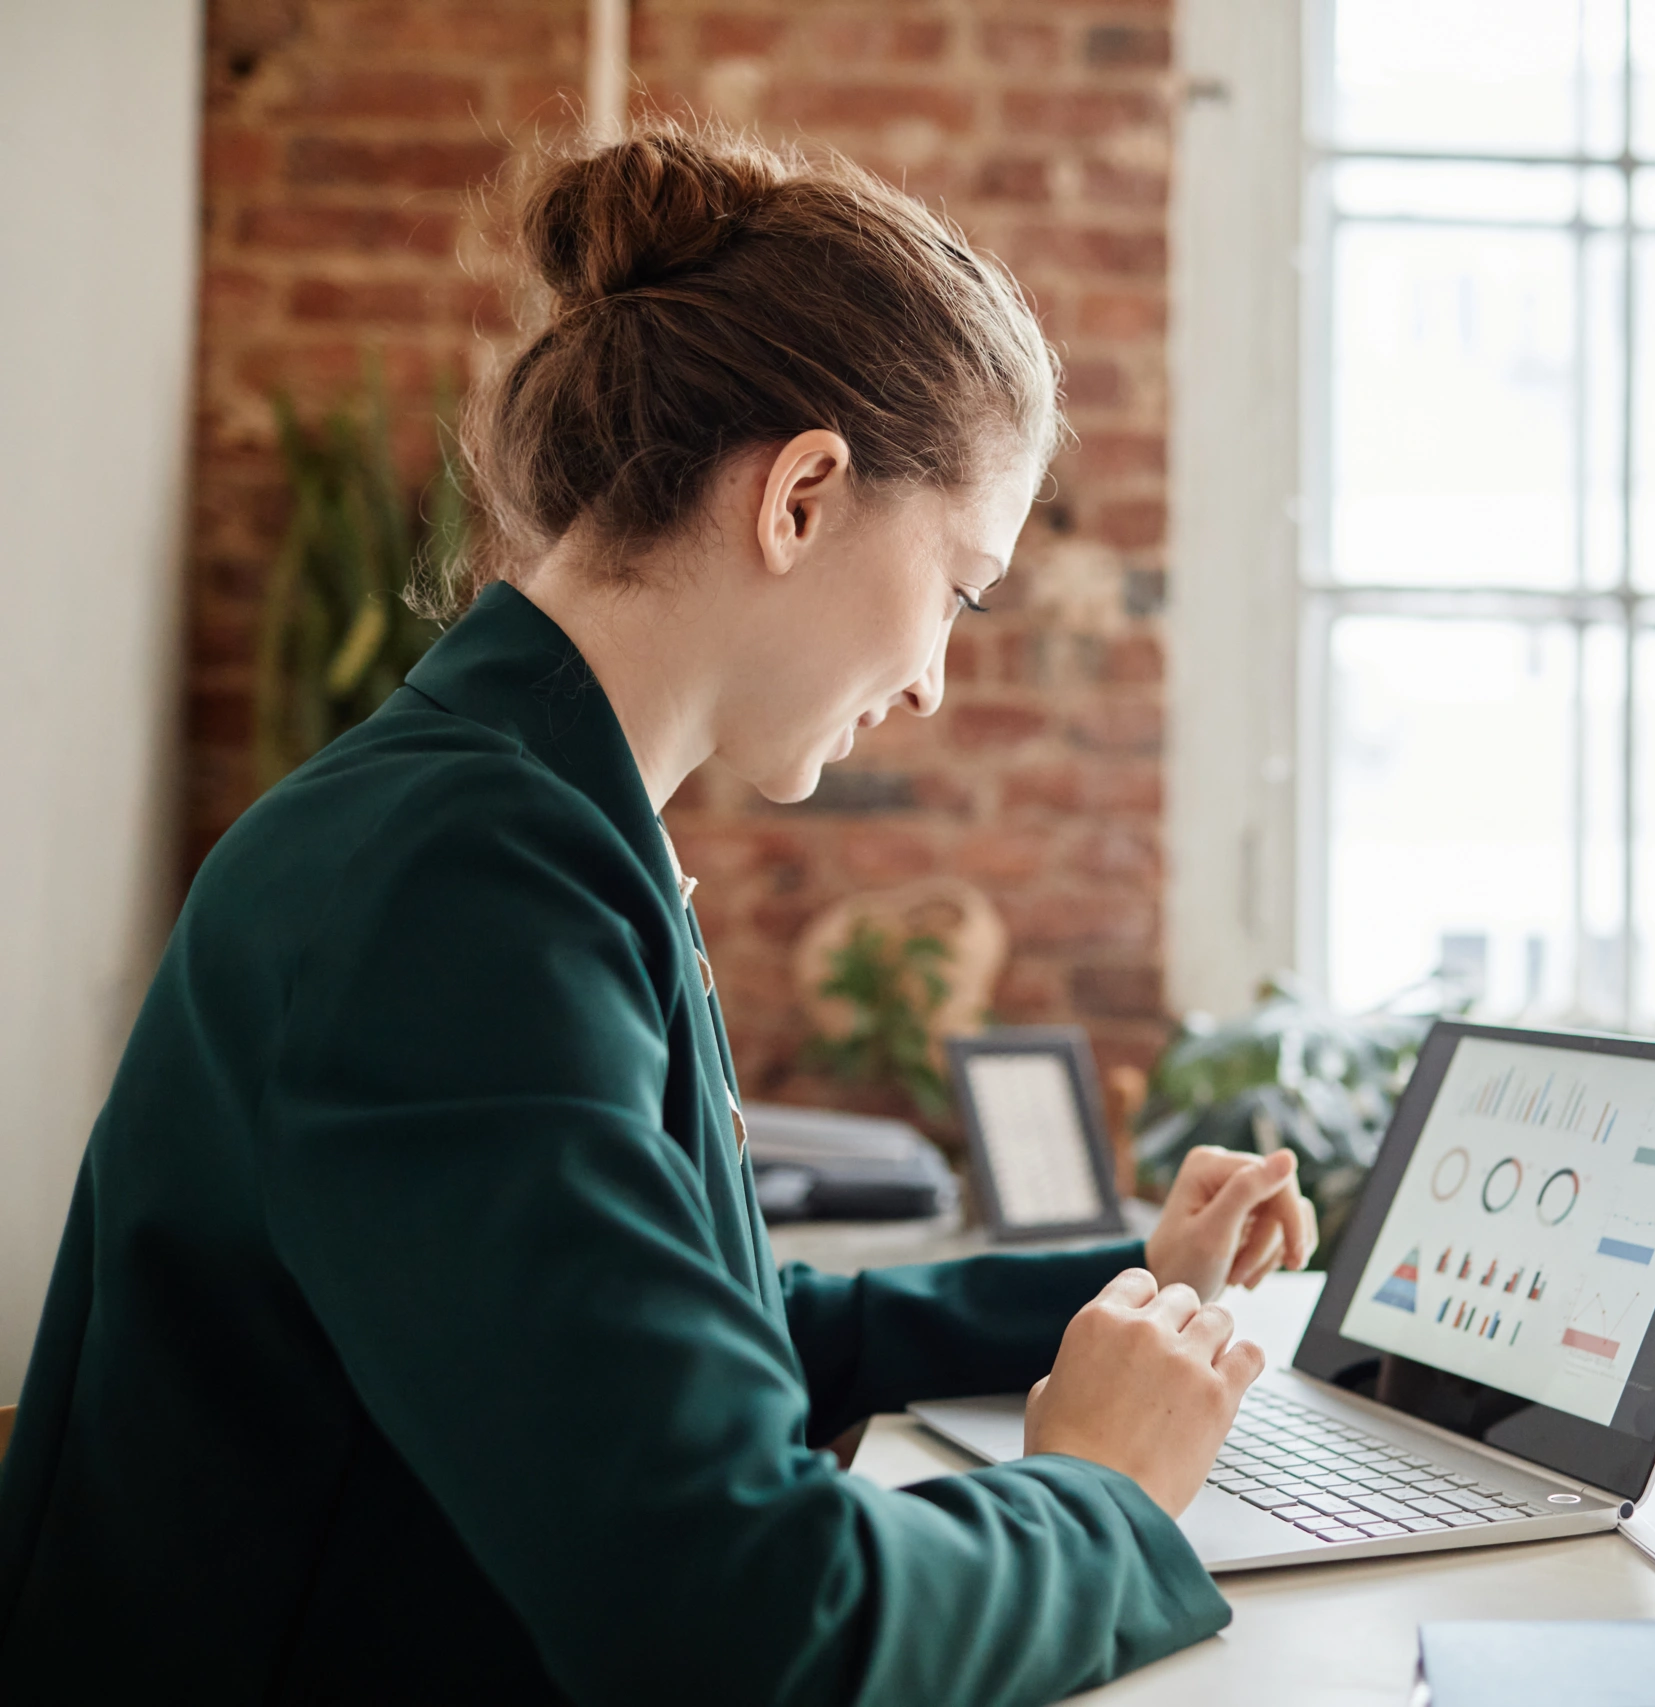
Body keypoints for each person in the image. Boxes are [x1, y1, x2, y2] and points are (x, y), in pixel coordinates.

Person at [0, 125, 1316, 1706]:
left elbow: (702, 1320)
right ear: (804, 494)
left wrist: (1123, 1287)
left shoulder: (509, 817)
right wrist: (1103, 1493)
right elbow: (752, 1621)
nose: (932, 680)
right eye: (959, 588)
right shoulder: (457, 890)